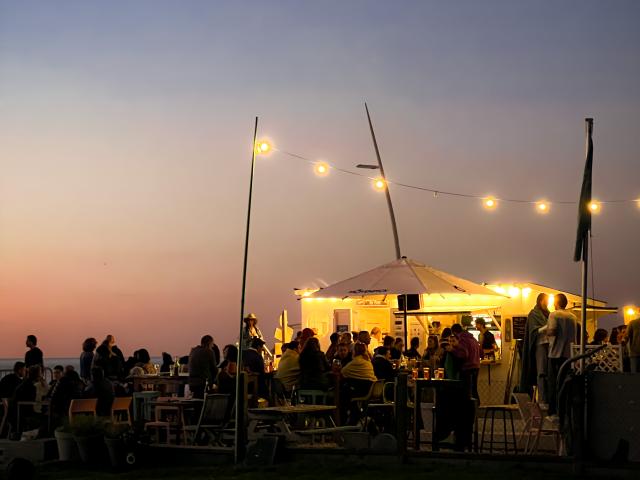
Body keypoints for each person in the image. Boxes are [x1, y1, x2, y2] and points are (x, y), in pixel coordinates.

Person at [546, 293, 578, 415]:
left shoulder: (554, 315)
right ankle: (565, 413)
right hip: (569, 356)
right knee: (566, 386)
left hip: (555, 355)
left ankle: (553, 412)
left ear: (557, 303)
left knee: (554, 385)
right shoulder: (573, 317)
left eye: (554, 302)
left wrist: (546, 332)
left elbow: (552, 331)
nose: (553, 304)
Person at [519, 293, 550, 404]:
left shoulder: (548, 314)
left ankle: (548, 397)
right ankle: (542, 399)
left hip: (549, 346)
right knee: (541, 372)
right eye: (545, 301)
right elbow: (533, 331)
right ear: (540, 301)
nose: (547, 303)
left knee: (548, 373)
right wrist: (547, 327)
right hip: (540, 345)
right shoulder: (533, 314)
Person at [447, 324, 480, 402]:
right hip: (476, 366)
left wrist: (453, 350)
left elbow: (463, 354)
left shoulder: (462, 339)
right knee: (474, 389)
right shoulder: (473, 339)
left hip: (467, 368)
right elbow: (481, 353)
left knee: (466, 391)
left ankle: (469, 410)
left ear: (454, 332)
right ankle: (476, 408)